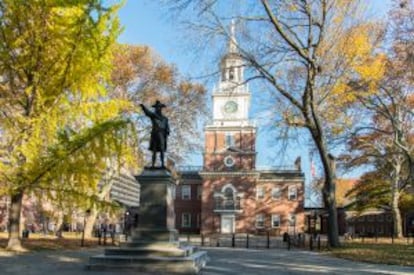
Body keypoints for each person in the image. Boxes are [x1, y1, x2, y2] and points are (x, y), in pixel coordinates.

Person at [140, 100, 170, 168]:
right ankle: (153, 165)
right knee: (154, 150)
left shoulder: (165, 119)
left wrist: (167, 132)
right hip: (155, 134)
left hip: (162, 134)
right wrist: (143, 107)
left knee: (162, 149)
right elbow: (148, 113)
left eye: (159, 107)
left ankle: (162, 164)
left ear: (161, 108)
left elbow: (167, 127)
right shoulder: (153, 116)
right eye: (156, 107)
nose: (157, 109)